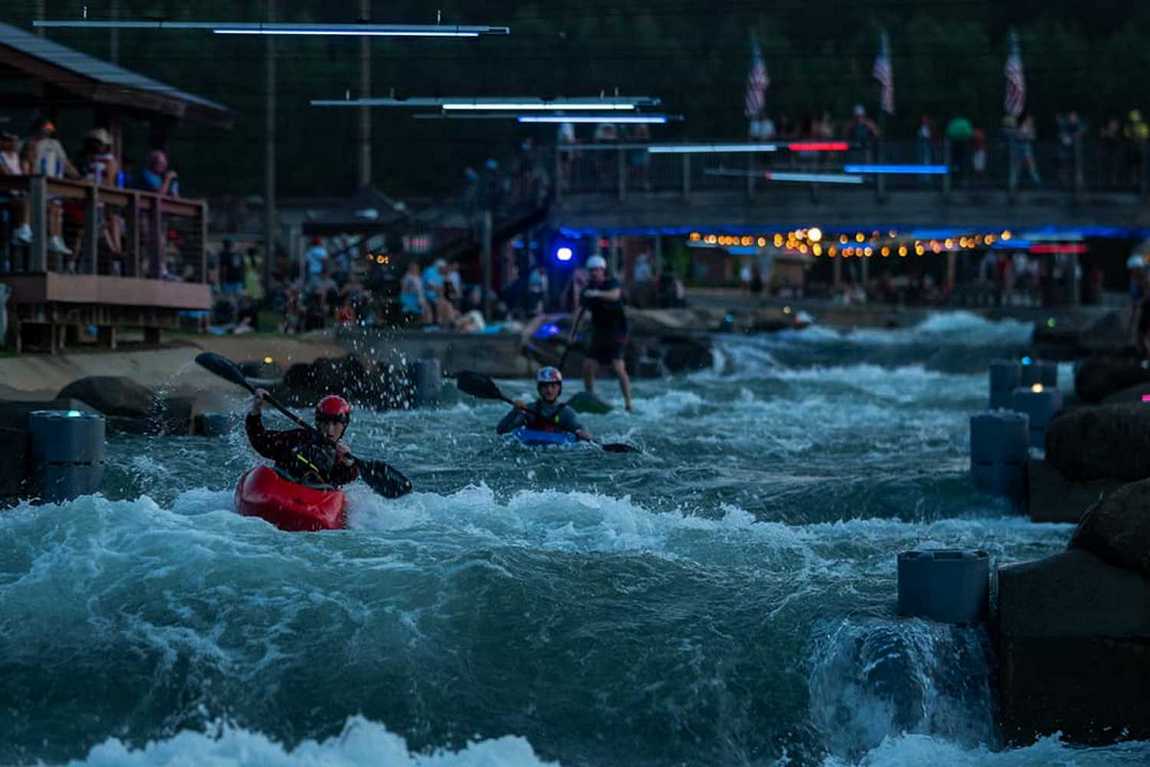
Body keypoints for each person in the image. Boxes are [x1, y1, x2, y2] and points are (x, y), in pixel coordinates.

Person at [247, 391, 359, 486]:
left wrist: (349, 464)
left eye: (336, 423)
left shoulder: (341, 456)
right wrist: (256, 409)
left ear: (344, 425)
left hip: (315, 500)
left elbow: (344, 479)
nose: (330, 430)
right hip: (282, 491)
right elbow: (260, 440)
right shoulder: (297, 438)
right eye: (325, 423)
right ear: (318, 423)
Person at [569, 255, 634, 412]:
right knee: (588, 365)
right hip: (599, 331)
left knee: (617, 366)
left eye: (597, 270)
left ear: (602, 270)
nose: (594, 273)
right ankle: (590, 395)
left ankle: (628, 403)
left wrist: (597, 294)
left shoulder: (611, 283)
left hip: (617, 331)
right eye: (591, 271)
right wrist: (572, 333)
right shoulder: (587, 290)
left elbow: (615, 295)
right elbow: (579, 312)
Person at [496, 367, 591, 441]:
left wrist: (582, 433)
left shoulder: (566, 412)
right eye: (545, 386)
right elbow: (501, 431)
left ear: (559, 389)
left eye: (553, 386)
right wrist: (515, 411)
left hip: (558, 450)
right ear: (539, 389)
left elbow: (579, 427)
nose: (549, 390)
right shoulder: (529, 409)